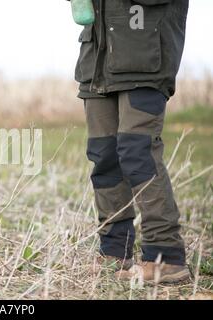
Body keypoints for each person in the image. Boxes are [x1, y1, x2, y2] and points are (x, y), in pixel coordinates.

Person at [72, 0, 190, 283]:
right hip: (97, 62)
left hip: (144, 61)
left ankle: (166, 255)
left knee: (137, 152)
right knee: (104, 156)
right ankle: (115, 251)